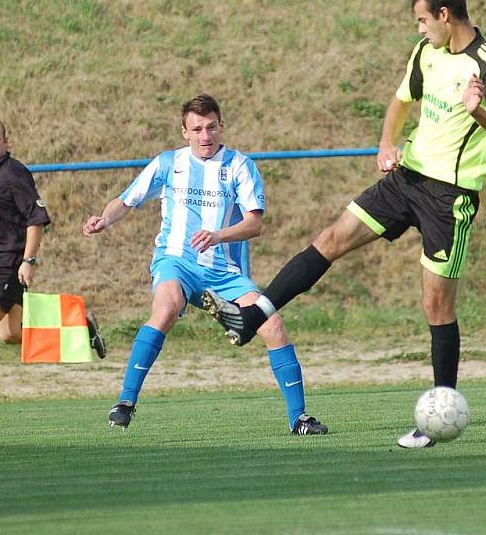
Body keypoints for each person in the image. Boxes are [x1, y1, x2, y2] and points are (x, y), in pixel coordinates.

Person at [203, 0, 486, 448]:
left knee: (436, 305)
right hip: (406, 179)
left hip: (449, 198)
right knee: (332, 239)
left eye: (422, 20)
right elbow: (400, 101)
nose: (419, 29)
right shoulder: (425, 55)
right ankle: (253, 318)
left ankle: (440, 413)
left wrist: (478, 112)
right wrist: (387, 141)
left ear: (445, 15)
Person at [82, 94, 327, 435]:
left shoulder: (240, 166)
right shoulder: (168, 164)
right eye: (197, 129)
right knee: (166, 308)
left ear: (221, 126)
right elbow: (125, 201)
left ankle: (298, 418)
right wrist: (103, 221)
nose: (205, 135)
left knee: (273, 325)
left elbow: (254, 224)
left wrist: (218, 236)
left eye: (211, 127)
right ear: (184, 131)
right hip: (176, 261)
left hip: (223, 272)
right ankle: (125, 402)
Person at [0, 118, 105, 413]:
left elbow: (36, 220)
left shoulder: (14, 174)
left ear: (7, 142)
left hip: (8, 260)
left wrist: (28, 261)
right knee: (9, 334)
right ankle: (80, 328)